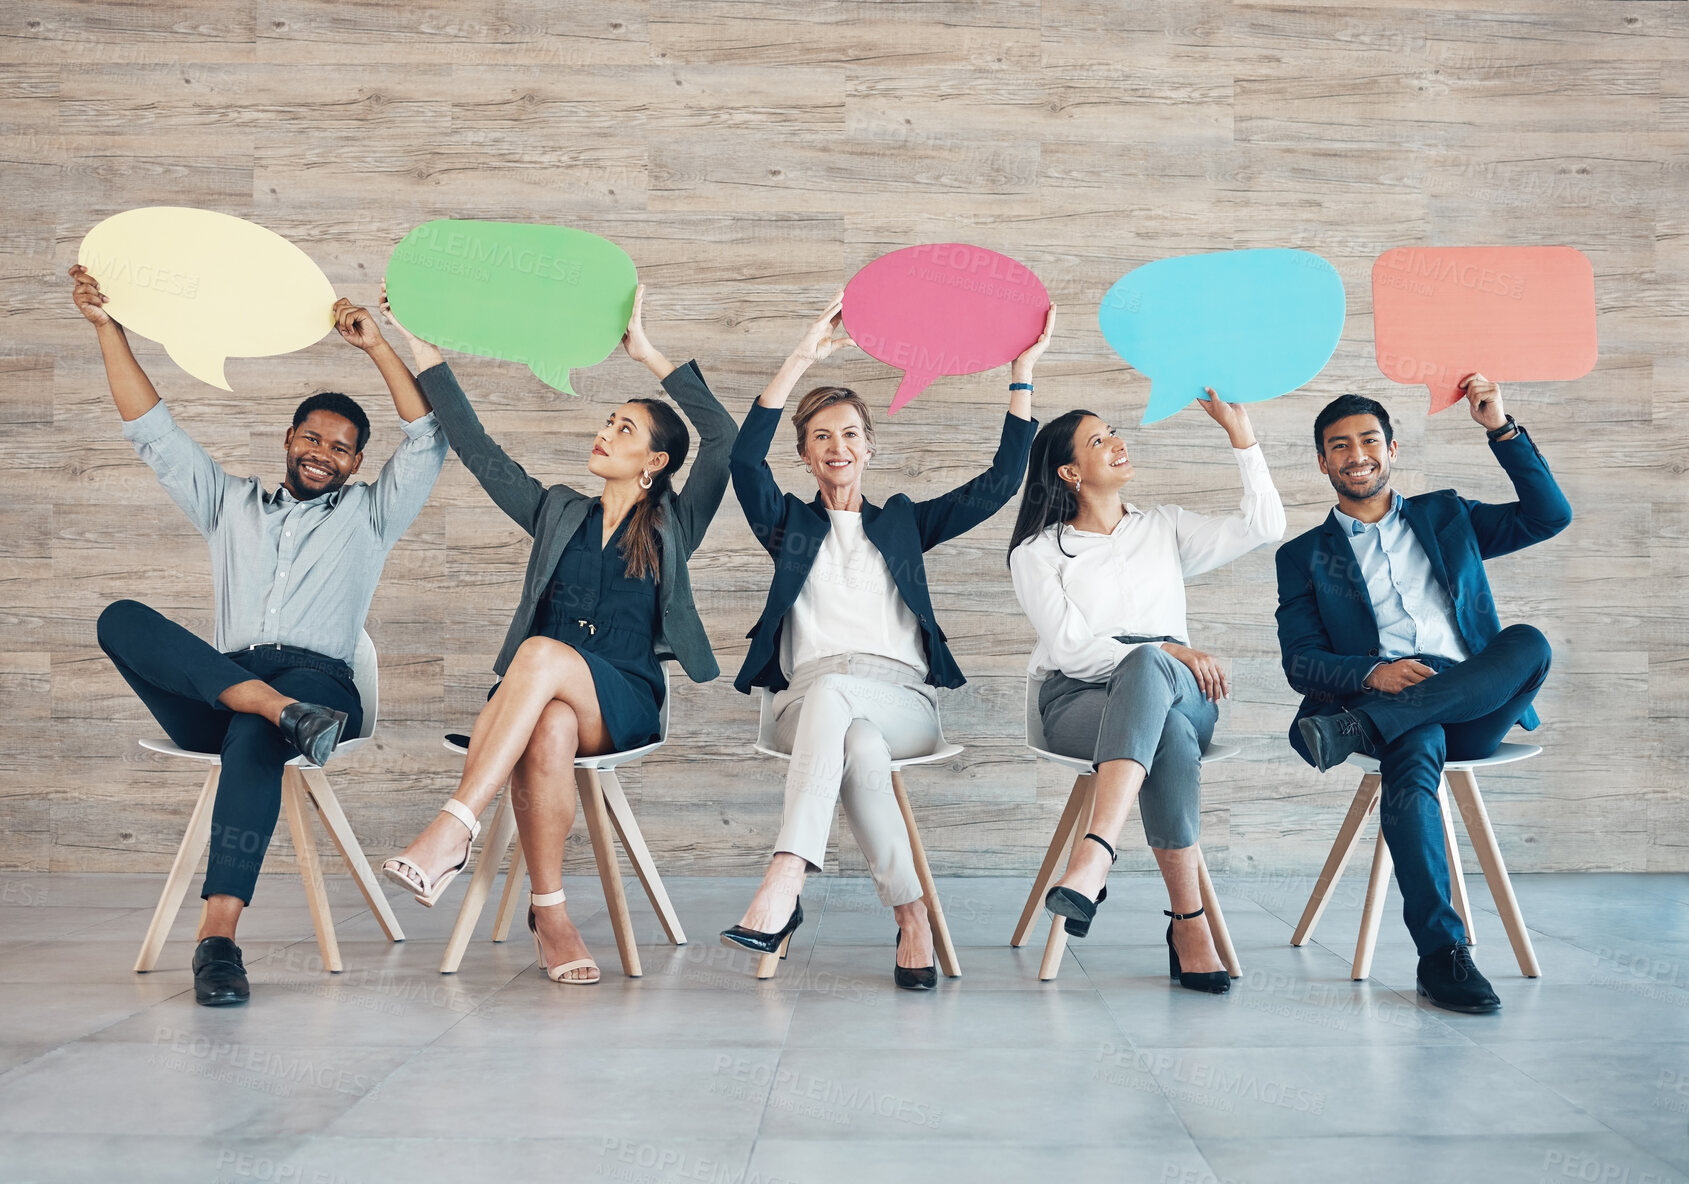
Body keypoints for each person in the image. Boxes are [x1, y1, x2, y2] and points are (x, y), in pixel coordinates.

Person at [70, 264, 447, 1007]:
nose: (322, 452)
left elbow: (429, 436)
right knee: (119, 619)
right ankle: (274, 712)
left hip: (320, 687)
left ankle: (217, 942)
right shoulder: (229, 504)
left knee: (252, 735)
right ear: (289, 438)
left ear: (356, 464)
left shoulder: (369, 517)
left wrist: (376, 346)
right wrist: (108, 330)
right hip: (233, 684)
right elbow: (153, 431)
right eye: (312, 437)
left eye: (341, 448)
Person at [378, 284, 736, 986]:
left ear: (655, 462)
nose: (605, 432)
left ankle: (454, 825)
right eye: (608, 420)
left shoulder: (675, 525)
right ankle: (552, 915)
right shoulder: (555, 512)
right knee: (546, 728)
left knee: (541, 655)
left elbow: (721, 439)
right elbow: (477, 449)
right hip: (542, 703)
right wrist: (423, 348)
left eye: (625, 429)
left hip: (623, 701)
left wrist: (646, 353)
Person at [720, 292, 1051, 990]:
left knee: (861, 717)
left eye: (848, 434)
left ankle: (786, 877)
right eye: (820, 438)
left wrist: (1020, 375)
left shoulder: (902, 523)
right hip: (807, 705)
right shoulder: (787, 526)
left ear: (868, 447)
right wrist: (801, 357)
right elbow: (744, 466)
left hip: (900, 699)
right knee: (856, 745)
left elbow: (998, 485)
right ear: (806, 456)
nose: (836, 447)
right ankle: (911, 917)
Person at [1276, 376, 1572, 1013]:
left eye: (1369, 440)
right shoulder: (1303, 556)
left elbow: (1551, 515)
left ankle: (1361, 728)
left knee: (1527, 640)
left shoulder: (1449, 516)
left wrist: (1501, 427)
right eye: (1339, 445)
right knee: (1411, 765)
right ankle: (1443, 956)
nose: (1357, 454)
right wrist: (1371, 675)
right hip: (1402, 710)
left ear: (1393, 449)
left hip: (1476, 703)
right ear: (1321, 460)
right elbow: (1300, 662)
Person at [1008, 392, 1284, 992]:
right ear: (1069, 472)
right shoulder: (1036, 553)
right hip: (1078, 700)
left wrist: (1243, 436)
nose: (1117, 441)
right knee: (1171, 735)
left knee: (1150, 674)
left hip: (1183, 689)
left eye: (1113, 430)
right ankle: (1189, 925)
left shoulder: (1165, 527)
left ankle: (1094, 855)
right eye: (1099, 439)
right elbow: (1074, 651)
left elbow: (1266, 526)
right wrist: (1169, 650)